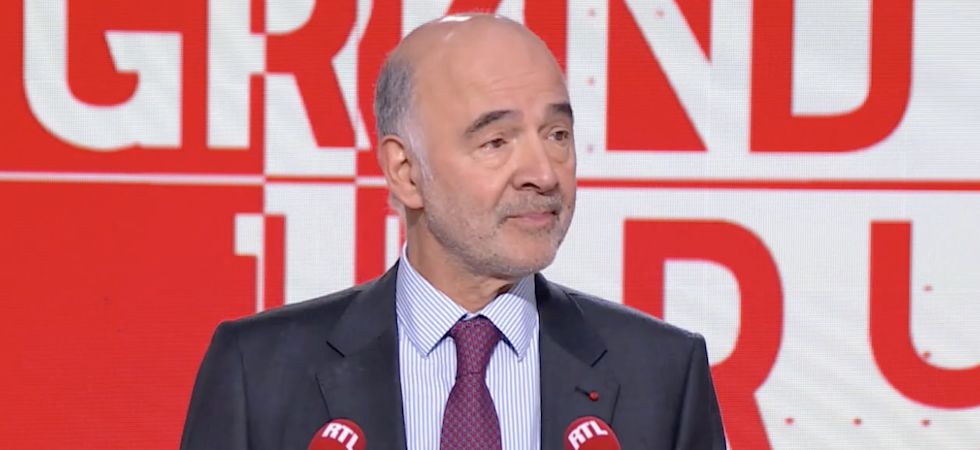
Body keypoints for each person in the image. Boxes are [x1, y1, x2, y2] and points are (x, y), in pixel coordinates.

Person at [181, 13, 726, 450]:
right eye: (496, 141)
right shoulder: (258, 375)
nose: (543, 173)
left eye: (557, 134)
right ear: (406, 172)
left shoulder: (663, 376)